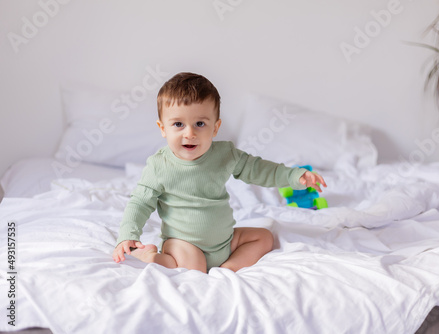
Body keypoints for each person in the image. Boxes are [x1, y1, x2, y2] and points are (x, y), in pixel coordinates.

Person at [112, 72, 327, 273]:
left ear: (215, 127)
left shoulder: (225, 154)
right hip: (182, 244)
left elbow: (258, 169)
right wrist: (128, 236)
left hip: (225, 242)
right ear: (162, 128)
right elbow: (140, 203)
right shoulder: (159, 166)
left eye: (200, 124)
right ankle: (149, 257)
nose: (190, 133)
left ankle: (227, 270)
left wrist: (293, 177)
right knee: (194, 267)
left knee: (264, 237)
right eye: (178, 124)